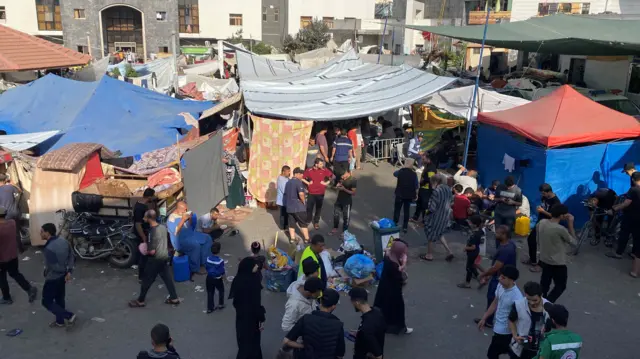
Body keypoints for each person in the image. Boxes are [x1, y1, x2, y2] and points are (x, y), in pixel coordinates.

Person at [130, 210, 180, 307]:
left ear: (148, 218)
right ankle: (174, 298)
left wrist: (144, 250)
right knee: (167, 278)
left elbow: (152, 251)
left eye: (145, 217)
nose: (144, 219)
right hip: (164, 256)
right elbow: (168, 241)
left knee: (146, 280)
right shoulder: (163, 227)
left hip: (155, 259)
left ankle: (140, 300)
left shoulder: (152, 232)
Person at [283, 288, 346, 359]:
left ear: (320, 301)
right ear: (333, 306)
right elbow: (340, 353)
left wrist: (303, 346)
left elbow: (287, 341)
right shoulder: (338, 325)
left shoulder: (306, 319)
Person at [477, 265, 523, 359]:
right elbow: (495, 302)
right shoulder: (500, 286)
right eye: (500, 276)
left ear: (511, 280)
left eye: (503, 277)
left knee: (492, 354)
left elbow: (519, 318)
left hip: (506, 332)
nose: (499, 279)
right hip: (497, 327)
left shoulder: (517, 298)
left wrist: (515, 334)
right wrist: (484, 318)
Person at [476, 225, 517, 328]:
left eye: (498, 233)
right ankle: (488, 319)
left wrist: (483, 274)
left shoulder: (505, 249)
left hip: (500, 278)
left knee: (492, 298)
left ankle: (488, 320)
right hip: (503, 276)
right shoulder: (509, 244)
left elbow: (496, 267)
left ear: (504, 235)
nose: (495, 234)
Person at [536, 205, 576, 303]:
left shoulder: (542, 223)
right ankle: (547, 303)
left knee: (544, 284)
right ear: (562, 216)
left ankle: (540, 302)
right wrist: (570, 223)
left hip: (544, 259)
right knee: (560, 286)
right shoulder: (560, 229)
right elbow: (574, 242)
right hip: (557, 263)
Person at [40, 223, 77, 328]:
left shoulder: (49, 248)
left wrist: (46, 271)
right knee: (59, 299)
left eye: (42, 231)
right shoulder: (63, 241)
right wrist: (68, 271)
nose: (40, 234)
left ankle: (69, 316)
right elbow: (72, 256)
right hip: (63, 277)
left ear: (47, 233)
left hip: (53, 278)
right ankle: (59, 321)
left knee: (46, 301)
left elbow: (54, 267)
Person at [230, 257, 266, 359]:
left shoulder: (238, 279)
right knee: (252, 345)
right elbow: (256, 305)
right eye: (254, 265)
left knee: (243, 344)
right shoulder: (253, 282)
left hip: (241, 319)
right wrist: (262, 319)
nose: (256, 266)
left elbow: (235, 302)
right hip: (252, 320)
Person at [0, 207, 37, 304]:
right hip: (13, 255)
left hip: (2, 259)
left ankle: (7, 297)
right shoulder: (12, 223)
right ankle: (29, 289)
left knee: (2, 278)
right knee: (15, 274)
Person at [374, 240, 412, 334]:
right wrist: (403, 264)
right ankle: (399, 327)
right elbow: (401, 278)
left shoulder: (388, 255)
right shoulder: (394, 265)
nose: (404, 254)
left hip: (384, 287)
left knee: (383, 307)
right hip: (393, 290)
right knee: (397, 309)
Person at [167, 201, 213, 277]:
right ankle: (195, 268)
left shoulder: (183, 214)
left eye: (186, 209)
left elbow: (191, 226)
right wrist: (182, 220)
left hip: (190, 235)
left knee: (207, 238)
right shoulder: (172, 218)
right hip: (180, 240)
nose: (185, 211)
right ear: (178, 209)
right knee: (195, 245)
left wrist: (190, 218)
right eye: (184, 210)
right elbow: (175, 232)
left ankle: (204, 262)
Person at [606, 172, 640, 275]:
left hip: (631, 217)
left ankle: (619, 253)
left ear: (633, 180)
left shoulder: (633, 189)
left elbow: (626, 203)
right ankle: (634, 254)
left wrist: (614, 208)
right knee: (637, 237)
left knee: (624, 234)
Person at [508, 282, 549, 359]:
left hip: (539, 350)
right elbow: (511, 320)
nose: (531, 303)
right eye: (528, 299)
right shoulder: (518, 305)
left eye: (535, 300)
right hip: (520, 348)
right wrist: (515, 336)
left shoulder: (549, 308)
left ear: (541, 295)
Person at [525, 184, 561, 271]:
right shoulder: (544, 198)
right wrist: (540, 209)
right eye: (541, 193)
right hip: (540, 222)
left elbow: (554, 216)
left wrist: (543, 211)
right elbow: (543, 206)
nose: (542, 195)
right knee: (531, 239)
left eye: (544, 193)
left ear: (549, 192)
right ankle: (533, 260)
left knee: (545, 246)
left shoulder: (556, 202)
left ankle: (540, 266)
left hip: (549, 224)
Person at [420, 174, 454, 261]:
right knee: (440, 233)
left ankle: (429, 255)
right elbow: (451, 203)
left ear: (435, 182)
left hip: (435, 217)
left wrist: (426, 213)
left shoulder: (436, 191)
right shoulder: (448, 190)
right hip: (445, 216)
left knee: (431, 235)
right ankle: (449, 251)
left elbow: (432, 208)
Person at [349, 287, 386, 359]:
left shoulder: (366, 328)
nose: (352, 304)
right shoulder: (377, 312)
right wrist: (359, 334)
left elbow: (378, 355)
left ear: (357, 302)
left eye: (352, 302)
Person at [304, 159, 333, 230]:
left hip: (320, 193)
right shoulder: (309, 170)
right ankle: (308, 220)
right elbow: (302, 178)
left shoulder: (324, 170)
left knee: (318, 208)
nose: (322, 165)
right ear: (316, 164)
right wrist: (308, 183)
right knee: (309, 208)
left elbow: (332, 176)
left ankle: (316, 222)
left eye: (322, 164)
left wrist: (326, 183)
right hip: (311, 193)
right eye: (320, 164)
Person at [133, 188, 155, 281]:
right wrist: (143, 237)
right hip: (142, 234)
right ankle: (142, 277)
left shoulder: (140, 204)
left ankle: (147, 273)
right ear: (149, 196)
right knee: (143, 256)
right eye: (153, 196)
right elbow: (138, 224)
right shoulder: (140, 208)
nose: (154, 197)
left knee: (147, 256)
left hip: (145, 233)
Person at [284, 167, 311, 243]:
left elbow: (286, 193)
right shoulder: (298, 182)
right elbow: (301, 194)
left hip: (289, 207)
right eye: (301, 174)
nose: (302, 175)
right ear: (296, 174)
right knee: (303, 223)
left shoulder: (288, 182)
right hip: (298, 207)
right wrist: (304, 202)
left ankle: (292, 239)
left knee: (291, 223)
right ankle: (307, 239)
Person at [393, 158, 419, 233]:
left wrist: (403, 168)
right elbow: (416, 185)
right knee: (406, 211)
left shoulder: (400, 172)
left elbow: (394, 174)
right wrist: (416, 194)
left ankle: (395, 223)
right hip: (408, 195)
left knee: (397, 210)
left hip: (399, 194)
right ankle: (405, 227)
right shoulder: (414, 174)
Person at [457, 215, 484, 289]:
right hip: (476, 251)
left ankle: (468, 283)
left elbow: (473, 247)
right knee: (472, 267)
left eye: (470, 223)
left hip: (472, 253)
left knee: (469, 268)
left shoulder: (474, 235)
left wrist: (465, 248)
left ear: (475, 224)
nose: (469, 224)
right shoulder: (480, 231)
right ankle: (480, 279)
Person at [330, 169, 357, 236]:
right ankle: (335, 228)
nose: (342, 177)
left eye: (343, 176)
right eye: (341, 176)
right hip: (339, 199)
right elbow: (336, 187)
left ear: (347, 173)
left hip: (347, 201)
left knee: (346, 217)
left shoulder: (353, 180)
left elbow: (353, 193)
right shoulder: (342, 178)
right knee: (336, 214)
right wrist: (337, 186)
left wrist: (344, 189)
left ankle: (345, 231)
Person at [411, 155, 437, 223]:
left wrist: (423, 181)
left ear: (428, 159)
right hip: (423, 188)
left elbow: (431, 179)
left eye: (423, 159)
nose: (422, 161)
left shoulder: (431, 168)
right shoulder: (428, 165)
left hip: (426, 190)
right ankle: (415, 217)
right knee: (419, 204)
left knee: (424, 206)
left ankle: (424, 221)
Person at [0, 174, 22, 251]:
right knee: (17, 232)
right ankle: (21, 249)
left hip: (4, 215)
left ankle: (10, 249)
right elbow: (20, 191)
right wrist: (14, 184)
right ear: (5, 180)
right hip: (15, 212)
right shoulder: (10, 187)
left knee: (6, 232)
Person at [205, 241, 226, 313]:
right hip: (217, 279)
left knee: (210, 292)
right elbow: (222, 271)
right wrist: (225, 279)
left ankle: (210, 308)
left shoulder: (208, 258)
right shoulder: (220, 261)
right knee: (221, 290)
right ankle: (220, 304)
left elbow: (206, 267)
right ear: (219, 250)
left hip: (209, 278)